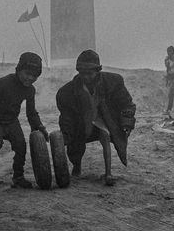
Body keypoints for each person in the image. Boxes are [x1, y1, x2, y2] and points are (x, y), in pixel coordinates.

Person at [0, 52, 48, 188]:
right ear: (19, 70)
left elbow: (31, 113)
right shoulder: (3, 83)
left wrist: (39, 127)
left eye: (34, 76)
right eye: (27, 73)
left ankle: (18, 176)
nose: (30, 78)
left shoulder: (30, 90)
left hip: (11, 121)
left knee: (21, 146)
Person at [56, 50, 136, 186]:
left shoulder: (114, 82)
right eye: (82, 74)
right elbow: (67, 117)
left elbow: (126, 104)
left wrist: (126, 123)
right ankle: (77, 165)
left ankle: (108, 173)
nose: (86, 77)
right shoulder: (66, 93)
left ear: (98, 71)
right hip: (81, 123)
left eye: (90, 74)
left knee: (105, 135)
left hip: (105, 120)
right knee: (75, 146)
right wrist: (66, 135)